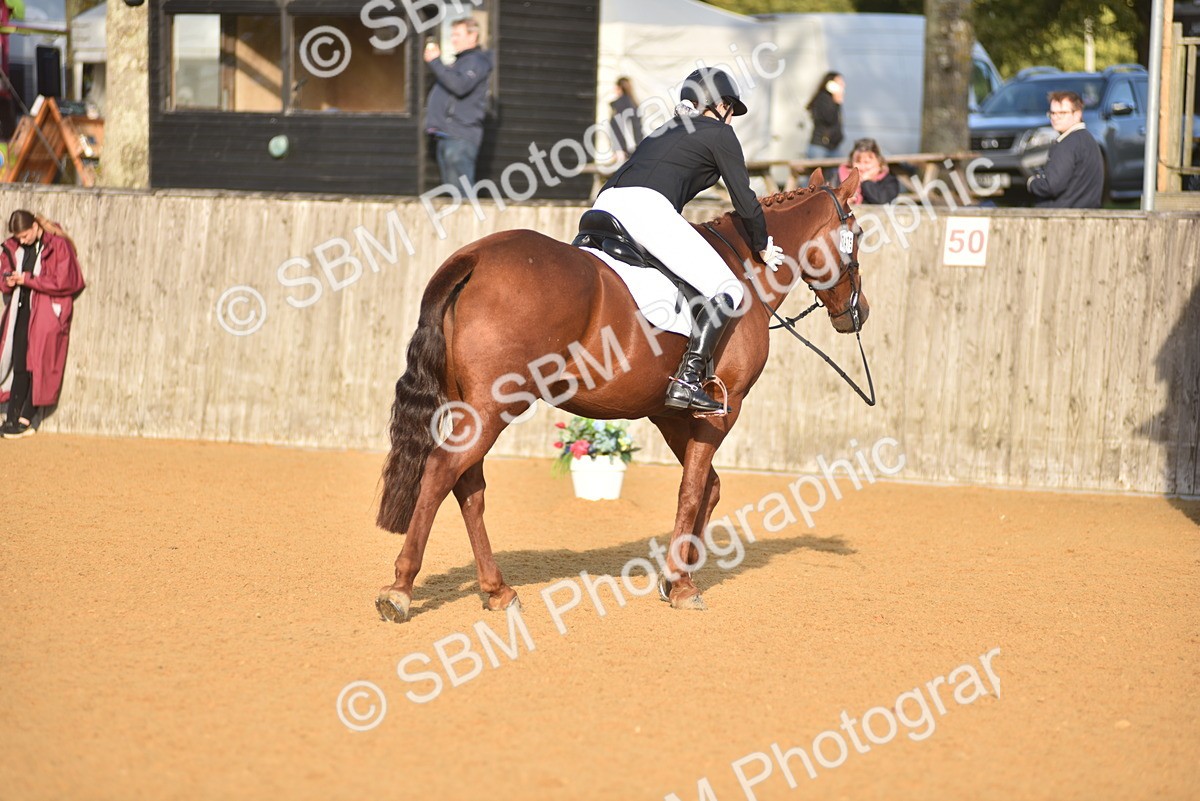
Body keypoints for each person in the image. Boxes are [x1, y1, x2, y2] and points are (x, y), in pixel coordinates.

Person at [593, 68, 784, 414]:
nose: (731, 118)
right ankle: (688, 379)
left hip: (602, 207)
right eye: (730, 108)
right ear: (719, 104)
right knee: (731, 289)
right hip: (646, 211)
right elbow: (744, 200)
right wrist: (761, 243)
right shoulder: (719, 135)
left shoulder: (662, 131)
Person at [0, 210, 86, 438]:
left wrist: (26, 279)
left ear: (35, 227)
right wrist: (9, 280)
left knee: (37, 365)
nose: (22, 241)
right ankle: (11, 418)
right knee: (19, 364)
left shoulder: (57, 245)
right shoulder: (16, 246)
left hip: (46, 313)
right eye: (18, 237)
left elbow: (64, 281)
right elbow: (5, 281)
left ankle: (25, 419)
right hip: (21, 311)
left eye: (25, 236)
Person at [423, 17, 493, 189]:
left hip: (460, 136)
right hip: (448, 135)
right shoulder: (461, 61)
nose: (453, 39)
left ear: (472, 36)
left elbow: (459, 86)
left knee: (461, 194)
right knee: (453, 192)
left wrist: (435, 62)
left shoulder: (476, 61)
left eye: (457, 34)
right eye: (452, 35)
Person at [1025, 90, 1104, 208]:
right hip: (1086, 214)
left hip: (1062, 217)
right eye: (1052, 113)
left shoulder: (1067, 144)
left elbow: (1052, 186)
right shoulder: (1089, 140)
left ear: (1077, 114)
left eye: (1062, 113)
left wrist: (1032, 183)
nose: (1056, 118)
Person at [835, 138, 900, 205]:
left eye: (867, 162)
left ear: (878, 161)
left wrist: (866, 182)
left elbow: (882, 202)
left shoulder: (889, 180)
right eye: (858, 162)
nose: (862, 167)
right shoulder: (843, 176)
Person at [806, 71, 845, 159]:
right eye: (839, 83)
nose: (842, 86)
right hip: (820, 145)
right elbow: (828, 118)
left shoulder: (834, 100)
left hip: (833, 146)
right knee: (817, 171)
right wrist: (836, 103)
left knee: (836, 171)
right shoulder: (823, 98)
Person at [609, 76, 644, 161]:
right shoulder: (633, 103)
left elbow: (618, 128)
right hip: (635, 146)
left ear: (619, 87)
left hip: (625, 149)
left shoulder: (620, 104)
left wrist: (619, 149)